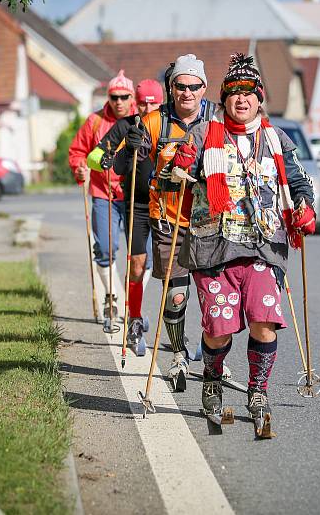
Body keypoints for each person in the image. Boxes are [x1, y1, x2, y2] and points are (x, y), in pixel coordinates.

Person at [170, 53, 316, 437]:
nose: (241, 99)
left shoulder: (276, 138)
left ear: (259, 97)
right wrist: (178, 167)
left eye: (248, 92)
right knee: (219, 329)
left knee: (264, 321)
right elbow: (174, 176)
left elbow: (300, 180)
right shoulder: (203, 134)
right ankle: (213, 378)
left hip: (264, 246)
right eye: (233, 92)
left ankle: (258, 391)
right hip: (213, 247)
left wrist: (304, 205)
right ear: (224, 98)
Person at [118, 54, 223, 391]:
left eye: (194, 86)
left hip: (211, 223)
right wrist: (131, 149)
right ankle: (178, 353)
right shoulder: (153, 122)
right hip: (169, 221)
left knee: (216, 299)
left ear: (204, 88)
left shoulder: (219, 120)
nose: (187, 92)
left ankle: (213, 359)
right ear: (171, 88)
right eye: (180, 86)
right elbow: (121, 166)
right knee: (177, 297)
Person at [91, 78, 165, 353]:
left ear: (161, 101)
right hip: (138, 204)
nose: (148, 108)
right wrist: (104, 160)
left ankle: (178, 334)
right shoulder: (126, 125)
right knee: (137, 264)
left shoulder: (169, 123)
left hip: (168, 204)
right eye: (143, 102)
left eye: (153, 102)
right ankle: (134, 319)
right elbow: (96, 155)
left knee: (175, 269)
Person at [69, 70, 137, 321]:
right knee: (107, 248)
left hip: (134, 195)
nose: (119, 102)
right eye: (114, 97)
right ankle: (111, 296)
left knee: (143, 255)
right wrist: (80, 168)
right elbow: (77, 151)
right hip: (102, 193)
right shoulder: (94, 121)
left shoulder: (141, 119)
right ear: (108, 97)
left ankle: (134, 302)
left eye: (124, 96)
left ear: (132, 97)